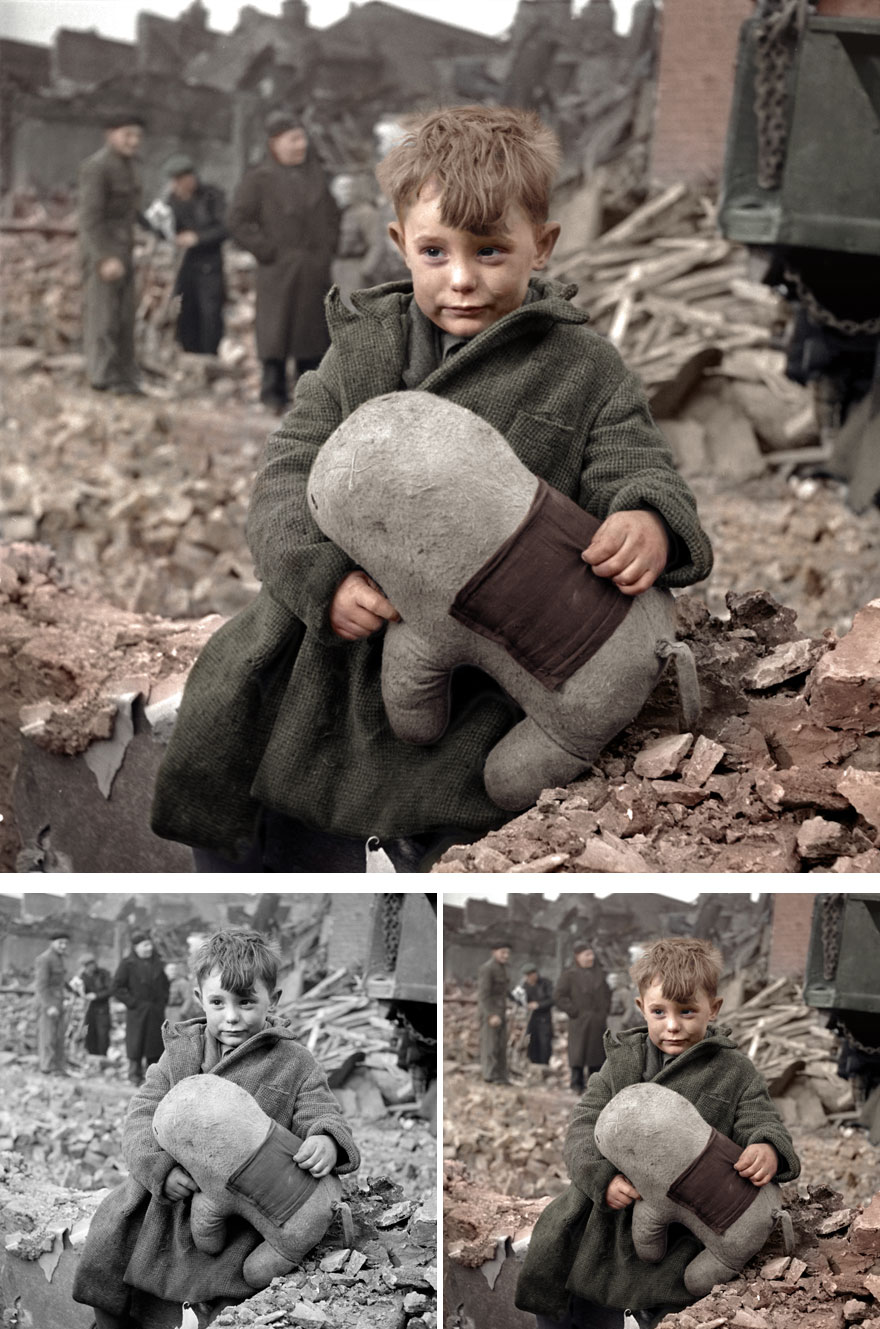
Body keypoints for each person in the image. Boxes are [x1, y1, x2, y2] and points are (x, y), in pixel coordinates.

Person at [150, 103, 713, 872]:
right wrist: (321, 578)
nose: (462, 279)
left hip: (477, 663)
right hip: (334, 642)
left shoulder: (581, 367)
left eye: (490, 251)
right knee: (247, 750)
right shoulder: (362, 351)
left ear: (542, 245)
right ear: (399, 245)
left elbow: (634, 458)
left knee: (444, 801)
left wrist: (645, 517)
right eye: (435, 251)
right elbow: (286, 473)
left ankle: (411, 862)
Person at [72, 928, 359, 1329]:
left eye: (246, 1002)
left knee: (221, 1280)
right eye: (218, 1002)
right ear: (199, 999)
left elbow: (320, 1108)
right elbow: (141, 1114)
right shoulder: (180, 1053)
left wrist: (325, 1138)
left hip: (239, 1208)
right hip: (167, 1197)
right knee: (112, 1242)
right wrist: (159, 1170)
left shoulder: (293, 1061)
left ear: (273, 1000)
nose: (232, 1017)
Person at [515, 937, 801, 1329]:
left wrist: (766, 1146)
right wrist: (601, 1178)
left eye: (687, 1011)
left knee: (658, 1295)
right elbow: (583, 1123)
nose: (673, 1025)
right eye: (659, 1011)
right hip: (605, 1212)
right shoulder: (623, 1061)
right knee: (562, 1274)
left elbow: (759, 1116)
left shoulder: (733, 1070)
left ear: (714, 1008)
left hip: (679, 1223)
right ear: (641, 1008)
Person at [228, 109, 340, 413]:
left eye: (302, 139)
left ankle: (310, 399)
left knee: (312, 336)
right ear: (275, 143)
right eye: (293, 140)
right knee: (275, 332)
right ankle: (272, 395)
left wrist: (327, 248)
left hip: (313, 268)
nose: (301, 145)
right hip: (278, 268)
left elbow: (332, 216)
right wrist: (267, 251)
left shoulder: (317, 175)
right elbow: (238, 221)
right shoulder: (259, 178)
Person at [78, 112, 146, 395]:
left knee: (124, 318)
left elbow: (133, 212)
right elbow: (90, 220)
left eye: (137, 136)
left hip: (124, 251)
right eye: (127, 135)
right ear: (110, 135)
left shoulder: (130, 167)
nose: (133, 141)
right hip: (104, 253)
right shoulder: (97, 167)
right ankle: (102, 378)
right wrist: (103, 257)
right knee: (103, 317)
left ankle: (124, 378)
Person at [162, 154, 227, 355]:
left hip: (209, 265)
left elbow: (225, 228)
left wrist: (197, 238)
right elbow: (163, 228)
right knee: (185, 312)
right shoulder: (171, 201)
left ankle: (210, 354)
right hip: (184, 266)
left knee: (210, 313)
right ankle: (188, 352)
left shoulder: (212, 197)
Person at [111, 930, 170, 1085]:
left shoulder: (157, 962)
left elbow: (165, 985)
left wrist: (162, 1001)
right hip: (137, 1011)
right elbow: (116, 987)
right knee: (136, 1044)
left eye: (150, 945)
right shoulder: (127, 964)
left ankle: (154, 1078)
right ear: (136, 947)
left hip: (155, 1010)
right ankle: (134, 1076)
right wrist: (133, 1003)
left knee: (154, 1045)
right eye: (145, 945)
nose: (149, 948)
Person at [554, 941, 612, 1092]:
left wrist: (604, 1010)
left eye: (591, 954)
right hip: (579, 1020)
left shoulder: (600, 974)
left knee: (596, 1055)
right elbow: (559, 996)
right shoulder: (569, 975)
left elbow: (607, 994)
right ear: (577, 956)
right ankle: (576, 1084)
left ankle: (595, 1087)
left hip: (597, 1020)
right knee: (578, 1053)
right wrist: (573, 1011)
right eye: (587, 955)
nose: (590, 958)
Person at [33, 928, 70, 1075]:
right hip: (48, 1003)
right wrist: (49, 1006)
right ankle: (46, 1068)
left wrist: (71, 990)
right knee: (47, 1036)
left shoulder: (60, 959)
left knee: (59, 1037)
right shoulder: (45, 959)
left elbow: (60, 982)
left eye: (66, 943)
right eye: (60, 943)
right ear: (52, 943)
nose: (63, 946)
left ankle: (58, 1067)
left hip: (59, 1002)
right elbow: (41, 985)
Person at [478, 942, 512, 1085]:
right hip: (491, 1012)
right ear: (494, 952)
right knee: (490, 1045)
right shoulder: (487, 969)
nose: (506, 955)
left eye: (507, 953)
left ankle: (501, 1076)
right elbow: (483, 995)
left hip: (501, 1011)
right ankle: (489, 1076)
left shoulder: (503, 969)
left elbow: (505, 991)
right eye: (502, 952)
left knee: (501, 1045)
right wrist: (490, 1015)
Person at [79, 952, 113, 1059]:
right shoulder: (82, 976)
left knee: (103, 1035)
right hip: (88, 1012)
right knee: (87, 1033)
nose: (90, 967)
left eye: (92, 963)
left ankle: (103, 1056)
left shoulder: (104, 974)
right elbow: (80, 992)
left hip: (102, 1011)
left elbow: (110, 990)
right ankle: (90, 1055)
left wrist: (96, 996)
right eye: (87, 965)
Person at [522, 963, 554, 1069]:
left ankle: (545, 1065)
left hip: (544, 1019)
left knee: (545, 1043)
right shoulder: (524, 986)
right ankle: (534, 1065)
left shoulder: (546, 983)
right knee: (532, 1043)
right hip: (531, 1019)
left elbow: (552, 999)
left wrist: (538, 1005)